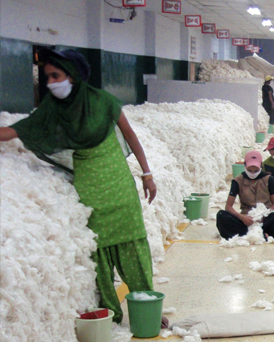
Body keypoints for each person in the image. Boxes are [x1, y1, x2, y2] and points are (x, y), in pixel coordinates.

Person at [0, 49, 160, 326]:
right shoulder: (53, 109)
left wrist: (147, 174)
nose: (50, 83)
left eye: (55, 76)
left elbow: (130, 135)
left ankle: (147, 307)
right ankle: (110, 316)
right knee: (100, 252)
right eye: (47, 77)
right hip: (89, 186)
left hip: (119, 184)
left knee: (132, 244)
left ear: (72, 75)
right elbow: (16, 130)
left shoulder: (102, 101)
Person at [217, 151, 274, 241]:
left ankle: (249, 234)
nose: (252, 173)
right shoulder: (237, 181)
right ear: (245, 165)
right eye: (250, 170)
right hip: (245, 219)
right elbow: (228, 207)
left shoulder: (268, 179)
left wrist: (264, 215)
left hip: (264, 218)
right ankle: (257, 234)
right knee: (221, 215)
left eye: (256, 170)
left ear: (261, 166)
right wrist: (242, 217)